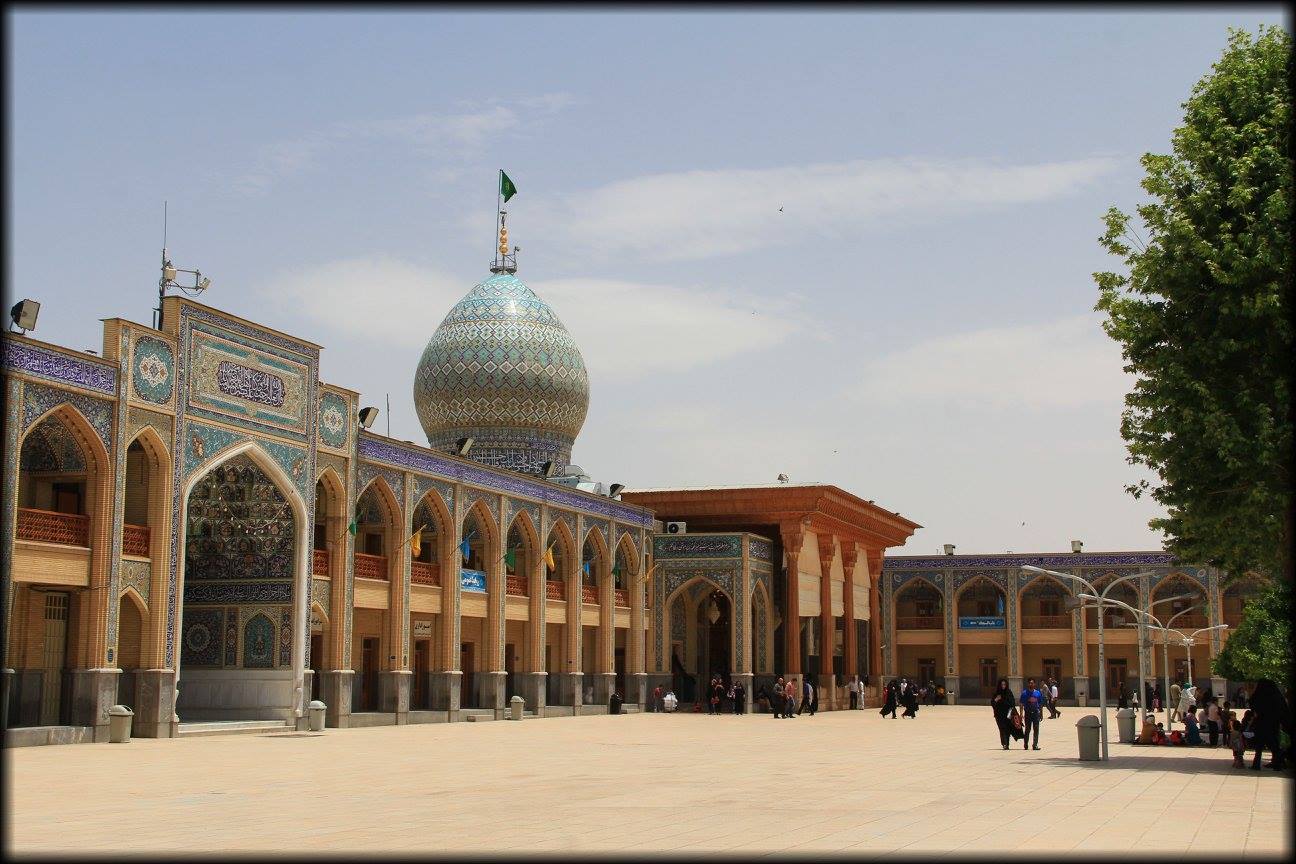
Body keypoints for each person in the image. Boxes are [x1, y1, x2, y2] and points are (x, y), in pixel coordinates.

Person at [1247, 678, 1289, 770]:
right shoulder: (1277, 696)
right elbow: (1283, 710)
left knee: (1259, 746)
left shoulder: (1259, 695)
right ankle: (1277, 765)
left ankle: (1256, 764)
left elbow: (1251, 703)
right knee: (1274, 745)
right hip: (1273, 724)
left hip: (1261, 723)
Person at [1019, 677, 1044, 750]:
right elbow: (1021, 704)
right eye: (1030, 683)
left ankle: (1035, 745)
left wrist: (1041, 713)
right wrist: (1021, 714)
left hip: (1036, 713)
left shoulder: (1038, 693)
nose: (1031, 684)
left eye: (1032, 683)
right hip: (1028, 713)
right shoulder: (1024, 693)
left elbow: (1040, 704)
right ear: (1028, 684)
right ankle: (1026, 744)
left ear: (1034, 684)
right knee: (1027, 729)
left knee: (1036, 729)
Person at [991, 678, 1015, 749]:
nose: (1003, 686)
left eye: (1004, 684)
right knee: (1001, 729)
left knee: (1007, 729)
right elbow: (992, 703)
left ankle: (1007, 744)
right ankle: (1004, 743)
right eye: (1002, 684)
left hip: (1007, 714)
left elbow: (1012, 703)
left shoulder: (1009, 692)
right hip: (999, 715)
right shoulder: (997, 693)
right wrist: (996, 699)